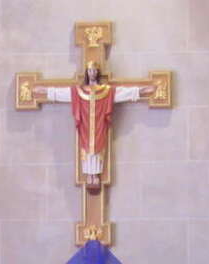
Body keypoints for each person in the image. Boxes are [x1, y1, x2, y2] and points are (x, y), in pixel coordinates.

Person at [33, 61, 155, 191]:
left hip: (99, 126)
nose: (92, 73)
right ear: (87, 72)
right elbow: (62, 93)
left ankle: (95, 174)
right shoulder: (79, 91)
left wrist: (140, 91)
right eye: (90, 71)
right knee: (86, 148)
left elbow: (122, 93)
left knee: (97, 148)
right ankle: (89, 175)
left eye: (95, 71)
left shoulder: (106, 91)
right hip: (85, 126)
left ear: (98, 73)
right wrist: (45, 91)